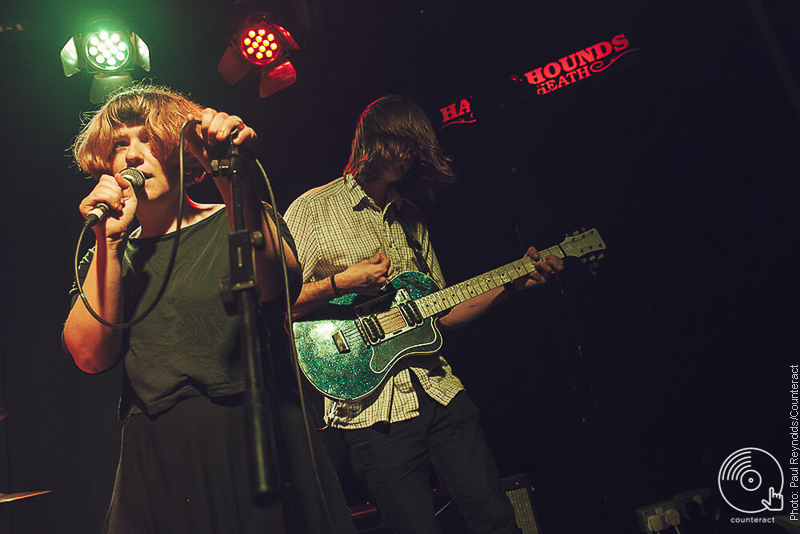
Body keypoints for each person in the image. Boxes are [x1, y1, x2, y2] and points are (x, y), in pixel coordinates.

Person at [62, 84, 356, 534]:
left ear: (185, 156)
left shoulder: (234, 217)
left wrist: (230, 174)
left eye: (150, 141)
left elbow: (277, 284)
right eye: (120, 145)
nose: (134, 155)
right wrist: (111, 242)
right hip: (158, 454)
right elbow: (88, 354)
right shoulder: (109, 252)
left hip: (252, 435)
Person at [283, 94, 564, 534]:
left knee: (496, 520)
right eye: (402, 142)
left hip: (440, 392)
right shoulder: (313, 209)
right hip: (372, 411)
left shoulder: (412, 219)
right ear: (371, 139)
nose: (408, 155)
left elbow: (442, 314)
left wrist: (511, 285)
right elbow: (277, 303)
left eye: (416, 147)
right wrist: (343, 282)